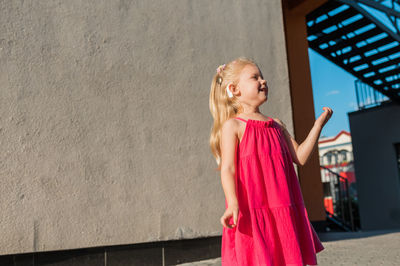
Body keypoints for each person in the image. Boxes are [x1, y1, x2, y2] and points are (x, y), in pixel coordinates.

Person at [209, 57, 332, 265]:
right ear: (235, 89)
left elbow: (300, 157)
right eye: (255, 77)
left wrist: (318, 126)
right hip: (253, 209)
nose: (263, 81)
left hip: (284, 209)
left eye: (263, 77)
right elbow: (228, 169)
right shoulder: (234, 127)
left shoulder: (276, 125)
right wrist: (233, 202)